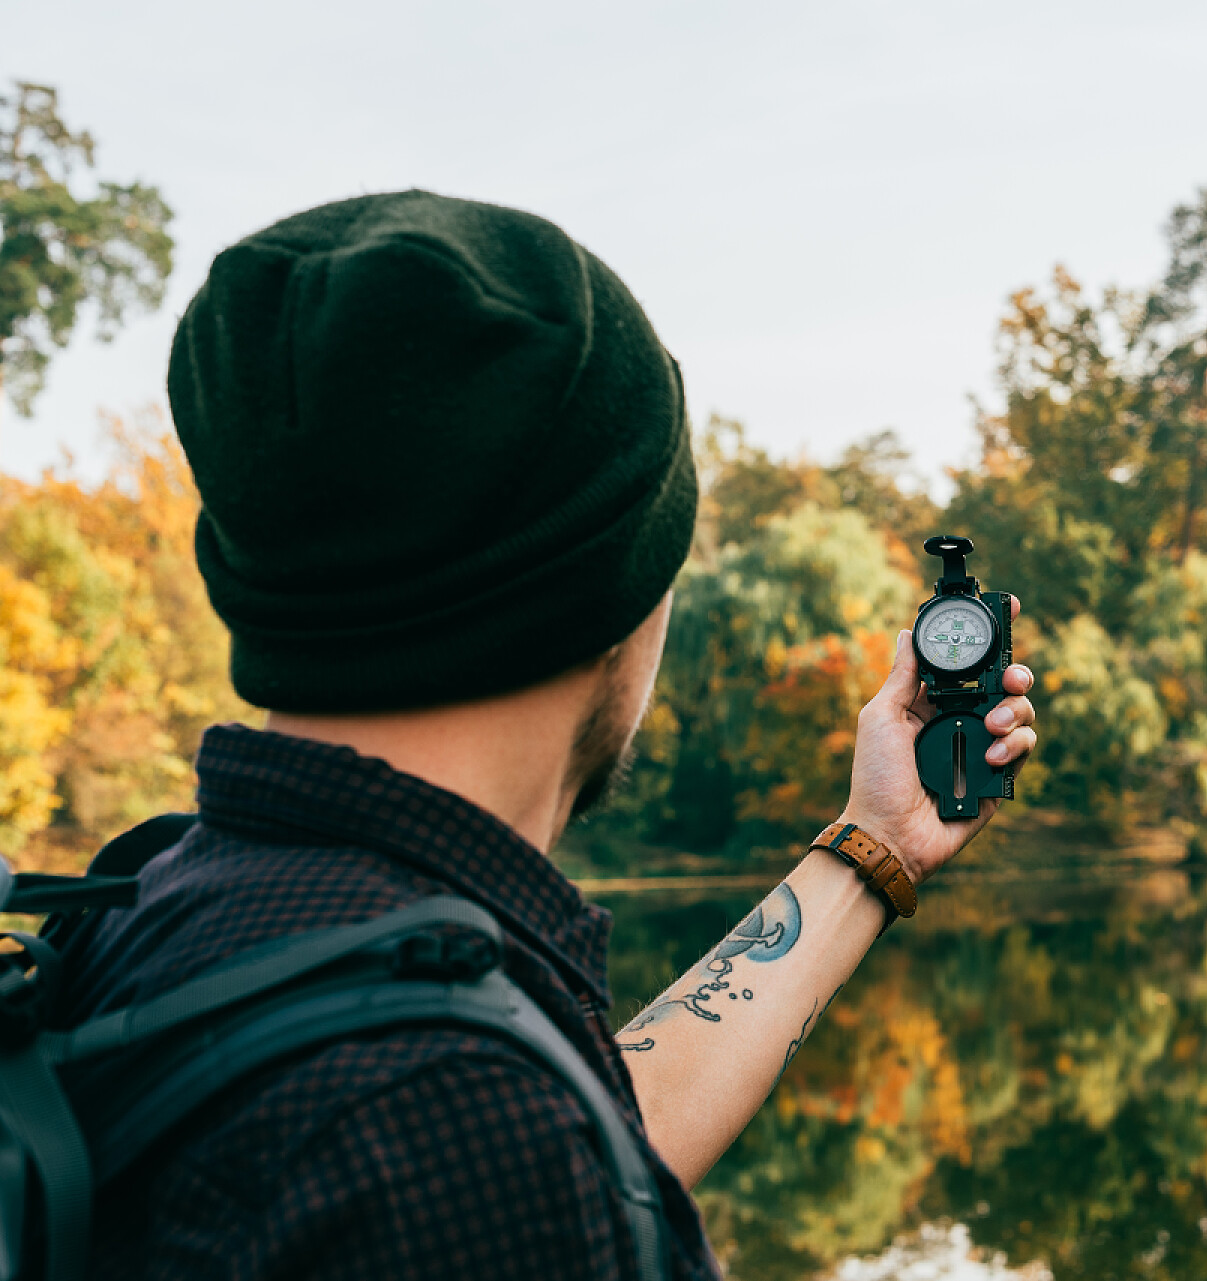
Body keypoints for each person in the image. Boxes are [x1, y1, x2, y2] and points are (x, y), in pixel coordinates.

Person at [53, 191, 1038, 1280]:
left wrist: (876, 843)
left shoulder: (155, 916)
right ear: (618, 595)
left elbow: (605, 1131)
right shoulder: (452, 1129)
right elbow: (517, 1153)